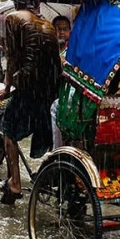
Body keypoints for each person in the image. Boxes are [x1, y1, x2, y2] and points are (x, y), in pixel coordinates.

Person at [0, 3, 62, 205]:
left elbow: (12, 57)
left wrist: (7, 89)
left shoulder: (13, 18)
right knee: (47, 129)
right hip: (49, 90)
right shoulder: (49, 26)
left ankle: (15, 182)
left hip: (28, 87)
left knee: (8, 129)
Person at [50, 15, 72, 149]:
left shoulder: (73, 51)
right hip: (49, 92)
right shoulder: (48, 50)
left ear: (69, 31)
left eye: (64, 29)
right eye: (58, 29)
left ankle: (57, 151)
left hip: (67, 95)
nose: (61, 32)